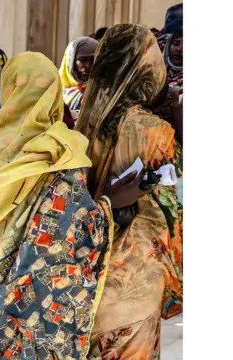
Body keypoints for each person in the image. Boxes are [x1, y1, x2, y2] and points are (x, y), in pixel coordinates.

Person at [0, 52, 150, 358]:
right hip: (28, 301)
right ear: (54, 93)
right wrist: (111, 203)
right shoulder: (62, 150)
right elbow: (70, 223)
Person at [74, 24, 182, 358]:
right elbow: (173, 205)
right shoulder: (154, 131)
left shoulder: (82, 123)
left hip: (88, 269)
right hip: (136, 274)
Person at [59, 36, 98, 113]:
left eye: (93, 60)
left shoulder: (102, 92)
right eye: (82, 60)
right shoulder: (55, 89)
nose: (88, 66)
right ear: (71, 60)